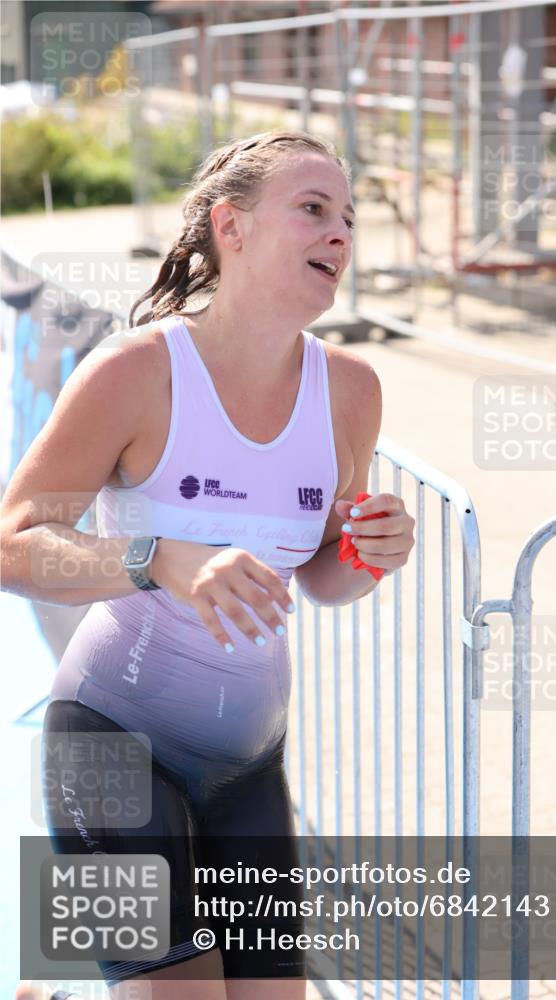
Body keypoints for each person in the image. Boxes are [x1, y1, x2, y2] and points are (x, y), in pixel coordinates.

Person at [2, 129, 415, 1000]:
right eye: (311, 209)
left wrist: (370, 553)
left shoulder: (350, 390)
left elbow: (323, 579)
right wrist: (160, 560)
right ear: (230, 225)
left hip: (249, 763)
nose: (340, 234)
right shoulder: (138, 369)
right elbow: (13, 541)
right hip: (108, 749)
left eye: (347, 217)